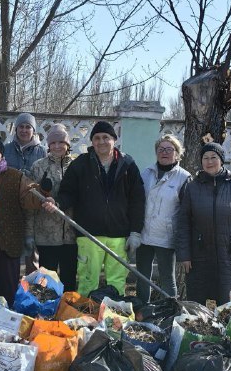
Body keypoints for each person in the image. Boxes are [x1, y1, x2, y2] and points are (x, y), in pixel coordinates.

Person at [43, 120, 144, 297]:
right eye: (96, 138)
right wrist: (57, 203)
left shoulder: (128, 165)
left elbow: (137, 199)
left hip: (118, 235)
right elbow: (68, 193)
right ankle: (85, 317)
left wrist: (135, 232)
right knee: (88, 280)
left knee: (117, 280)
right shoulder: (81, 164)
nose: (101, 141)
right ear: (92, 142)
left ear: (114, 139)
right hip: (89, 234)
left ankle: (114, 316)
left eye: (106, 137)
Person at [175, 142, 231, 305]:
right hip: (198, 256)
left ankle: (224, 331)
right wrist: (184, 255)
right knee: (196, 304)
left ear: (221, 160)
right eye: (205, 158)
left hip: (228, 255)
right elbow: (183, 223)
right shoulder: (192, 186)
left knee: (227, 303)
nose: (209, 161)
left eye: (213, 157)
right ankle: (197, 330)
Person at [0, 133, 40, 305]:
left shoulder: (15, 176)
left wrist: (42, 192)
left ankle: (8, 323)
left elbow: (30, 199)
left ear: (3, 154)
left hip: (7, 241)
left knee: (8, 289)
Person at [135, 135, 191, 305]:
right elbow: (137, 201)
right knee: (142, 276)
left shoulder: (184, 178)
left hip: (166, 236)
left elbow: (186, 212)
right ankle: (142, 310)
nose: (164, 152)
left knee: (167, 277)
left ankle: (169, 312)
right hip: (144, 234)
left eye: (169, 149)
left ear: (177, 154)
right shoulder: (147, 173)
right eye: (161, 149)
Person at [26, 123, 78, 291]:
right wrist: (29, 233)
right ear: (48, 145)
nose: (57, 146)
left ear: (67, 144)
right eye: (53, 143)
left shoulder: (77, 165)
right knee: (48, 282)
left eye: (61, 142)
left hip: (71, 234)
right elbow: (31, 203)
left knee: (69, 279)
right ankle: (49, 312)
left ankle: (67, 311)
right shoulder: (39, 166)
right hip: (46, 235)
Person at [3, 112, 45, 274]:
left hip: (32, 204)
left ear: (33, 130)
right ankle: (10, 284)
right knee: (11, 246)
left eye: (28, 127)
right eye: (21, 126)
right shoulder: (6, 149)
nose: (24, 130)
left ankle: (31, 287)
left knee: (31, 248)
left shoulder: (42, 151)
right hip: (10, 203)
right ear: (16, 129)